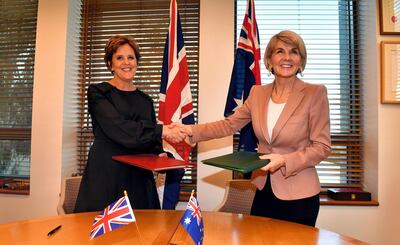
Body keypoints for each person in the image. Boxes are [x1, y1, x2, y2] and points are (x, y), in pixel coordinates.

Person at [179, 30, 331, 227]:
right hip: (262, 190)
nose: (287, 57)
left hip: (299, 195)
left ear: (301, 61)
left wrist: (285, 160)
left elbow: (322, 147)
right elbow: (229, 124)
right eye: (279, 51)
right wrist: (191, 131)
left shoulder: (315, 93)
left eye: (294, 52)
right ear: (269, 60)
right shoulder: (257, 93)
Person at [74, 35, 186, 212]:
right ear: (110, 63)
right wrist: (162, 130)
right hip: (107, 175)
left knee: (143, 232)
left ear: (137, 62)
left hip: (138, 179)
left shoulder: (145, 100)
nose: (126, 62)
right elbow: (118, 128)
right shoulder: (98, 92)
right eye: (119, 57)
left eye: (131, 57)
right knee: (102, 235)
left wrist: (161, 157)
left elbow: (150, 143)